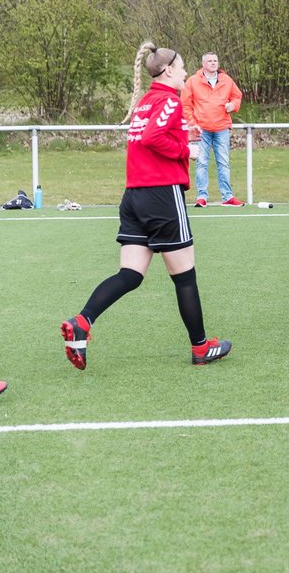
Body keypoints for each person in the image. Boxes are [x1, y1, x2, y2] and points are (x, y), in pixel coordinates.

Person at [61, 41, 231, 369]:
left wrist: (182, 141)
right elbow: (154, 137)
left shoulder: (145, 103)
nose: (185, 73)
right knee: (185, 277)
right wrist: (186, 152)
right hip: (161, 195)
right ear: (167, 71)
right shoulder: (167, 100)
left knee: (130, 275)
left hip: (134, 196)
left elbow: (150, 136)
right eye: (182, 68)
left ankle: (82, 323)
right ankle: (200, 348)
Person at [181, 51, 244, 207]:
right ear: (203, 64)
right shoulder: (192, 81)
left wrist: (233, 105)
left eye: (215, 60)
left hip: (222, 127)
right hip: (201, 129)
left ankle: (227, 197)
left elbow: (237, 96)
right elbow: (185, 105)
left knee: (224, 162)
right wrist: (193, 124)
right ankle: (202, 197)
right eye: (209, 61)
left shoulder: (227, 80)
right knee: (202, 162)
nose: (213, 63)